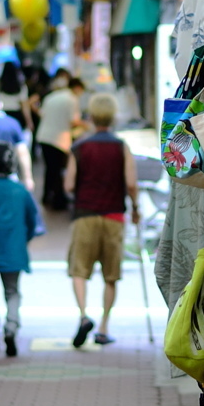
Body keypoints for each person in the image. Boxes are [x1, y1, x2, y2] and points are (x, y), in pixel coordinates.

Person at [63, 92, 140, 347]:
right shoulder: (121, 147)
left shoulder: (79, 147)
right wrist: (136, 207)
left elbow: (69, 184)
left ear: (91, 117)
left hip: (85, 214)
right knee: (110, 275)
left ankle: (84, 316)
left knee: (79, 270)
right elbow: (130, 183)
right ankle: (104, 327)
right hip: (114, 216)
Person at [0, 143, 38, 358]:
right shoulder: (21, 190)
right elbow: (33, 221)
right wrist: (24, 239)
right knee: (12, 291)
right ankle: (11, 327)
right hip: (14, 249)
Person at [36, 76, 86, 210]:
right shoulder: (72, 99)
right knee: (57, 170)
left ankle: (47, 197)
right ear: (77, 88)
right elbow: (73, 121)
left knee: (50, 169)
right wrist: (87, 125)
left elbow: (42, 113)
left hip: (43, 137)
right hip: (59, 140)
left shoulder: (52, 96)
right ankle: (58, 201)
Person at [0, 60, 33, 130]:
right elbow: (24, 106)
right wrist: (29, 122)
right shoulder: (21, 86)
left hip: (2, 114)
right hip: (17, 116)